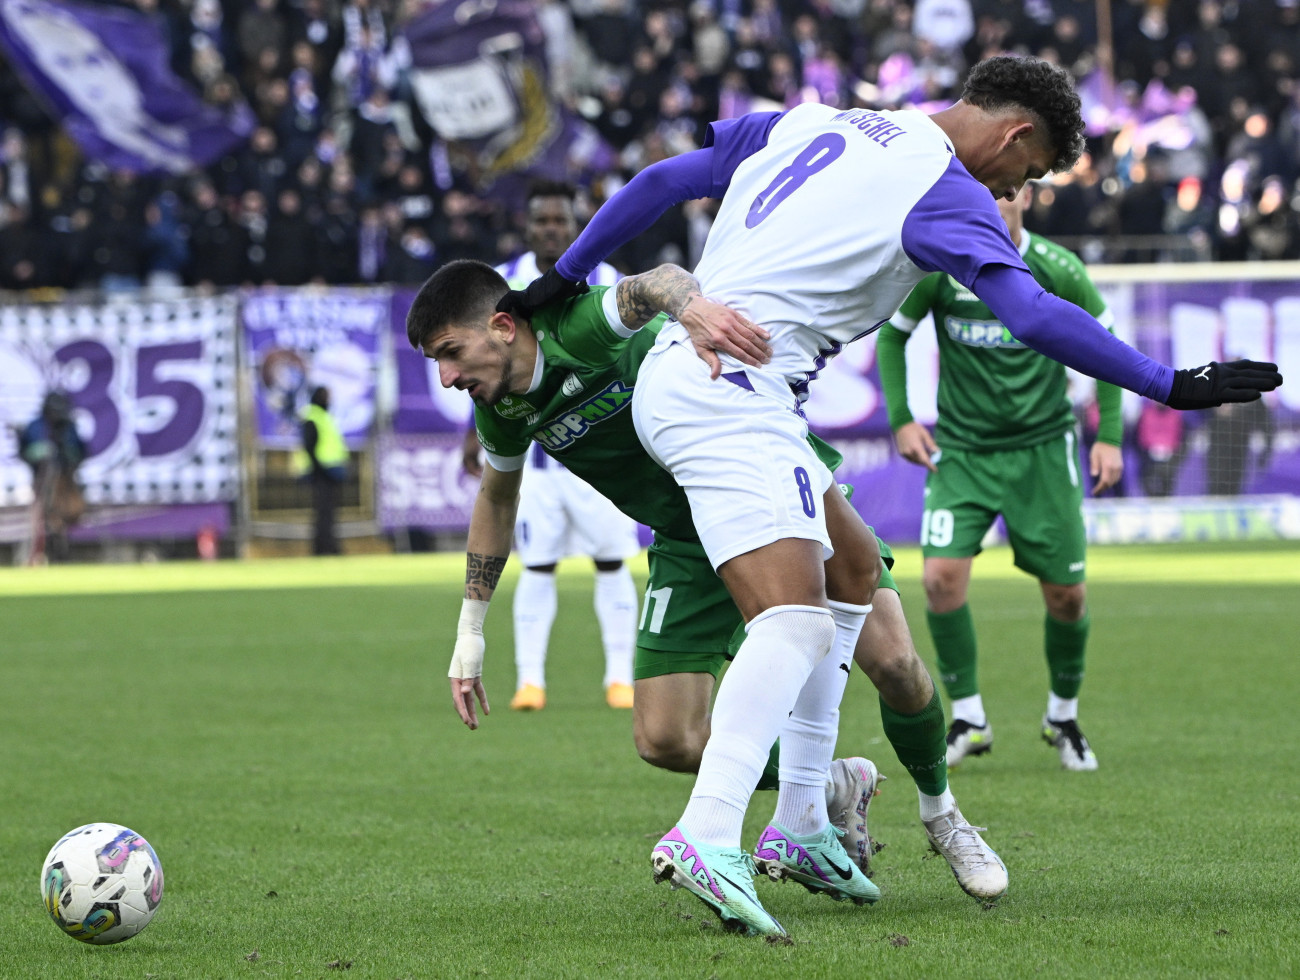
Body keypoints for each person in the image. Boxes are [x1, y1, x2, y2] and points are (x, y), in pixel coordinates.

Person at [500, 55, 1283, 937]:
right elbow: (1031, 316)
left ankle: (800, 823)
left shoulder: (816, 120)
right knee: (792, 622)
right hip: (731, 390)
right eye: (1022, 175)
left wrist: (563, 275)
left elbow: (663, 180)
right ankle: (708, 831)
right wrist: (1167, 384)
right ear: (1016, 134)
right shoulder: (942, 191)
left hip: (710, 381)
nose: (1008, 191)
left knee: (855, 572)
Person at [413, 258, 1009, 932]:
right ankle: (833, 786)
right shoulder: (503, 409)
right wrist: (471, 631)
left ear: (500, 326)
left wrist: (690, 307)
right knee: (665, 737)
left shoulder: (577, 330)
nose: (447, 377)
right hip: (687, 537)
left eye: (450, 353)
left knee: (897, 666)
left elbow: (653, 285)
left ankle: (943, 814)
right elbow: (496, 499)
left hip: (763, 483)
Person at [876, 183, 1122, 773]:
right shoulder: (941, 270)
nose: (993, 209)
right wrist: (903, 420)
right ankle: (969, 718)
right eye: (982, 200)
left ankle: (1062, 716)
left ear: (1026, 199)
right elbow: (892, 335)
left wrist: (1109, 433)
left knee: (1067, 594)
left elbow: (1107, 346)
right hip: (962, 451)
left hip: (1043, 450)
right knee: (938, 579)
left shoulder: (1057, 269)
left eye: (1005, 197)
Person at [464, 179, 640, 712]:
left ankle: (619, 678)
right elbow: (482, 370)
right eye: (542, 221)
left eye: (560, 221)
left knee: (612, 564)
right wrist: (467, 437)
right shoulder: (504, 285)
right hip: (538, 462)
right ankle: (531, 682)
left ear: (576, 223)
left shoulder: (607, 279)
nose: (551, 230)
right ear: (528, 225)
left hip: (602, 459)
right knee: (536, 566)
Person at [17, 391, 86, 564]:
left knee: (71, 508)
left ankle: (61, 540)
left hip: (66, 477)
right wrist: (41, 452)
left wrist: (66, 454)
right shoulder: (36, 426)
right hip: (42, 479)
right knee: (40, 511)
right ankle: (36, 551)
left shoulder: (69, 426)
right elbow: (25, 451)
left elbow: (81, 451)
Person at [293, 385, 348, 556]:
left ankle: (326, 546)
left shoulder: (322, 416)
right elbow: (310, 446)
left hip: (328, 472)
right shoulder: (313, 416)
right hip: (321, 472)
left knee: (327, 513)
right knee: (324, 513)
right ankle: (325, 547)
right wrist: (320, 469)